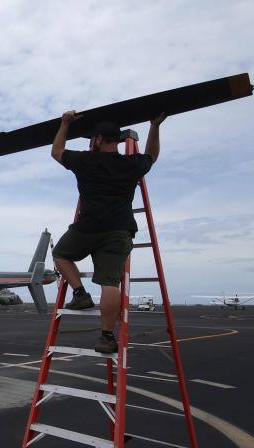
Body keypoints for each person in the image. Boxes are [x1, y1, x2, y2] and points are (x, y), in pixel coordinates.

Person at [50, 111, 166, 353]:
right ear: (118, 141)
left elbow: (57, 151)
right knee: (110, 283)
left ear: (99, 139)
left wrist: (65, 123)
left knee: (60, 254)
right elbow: (152, 156)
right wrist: (154, 126)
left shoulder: (85, 161)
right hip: (119, 230)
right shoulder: (131, 165)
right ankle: (106, 336)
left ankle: (80, 293)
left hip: (88, 227)